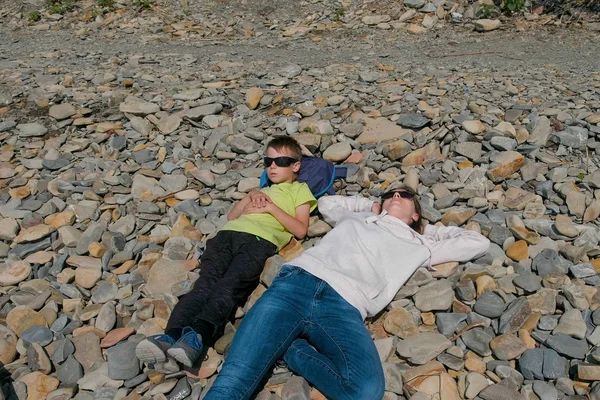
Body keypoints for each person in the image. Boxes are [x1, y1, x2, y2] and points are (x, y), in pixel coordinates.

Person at [203, 183, 490, 400]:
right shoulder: (358, 218)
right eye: (389, 195)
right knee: (234, 380)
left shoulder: (423, 245)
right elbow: (328, 203)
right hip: (297, 283)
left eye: (404, 195)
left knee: (365, 391)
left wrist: (426, 231)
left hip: (344, 307)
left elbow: (477, 242)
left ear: (416, 214)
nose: (395, 197)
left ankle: (291, 349)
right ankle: (279, 342)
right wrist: (371, 207)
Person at [135, 136, 317, 368]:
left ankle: (198, 335)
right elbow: (232, 216)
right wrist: (250, 196)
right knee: (203, 286)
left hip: (258, 242)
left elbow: (300, 229)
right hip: (227, 236)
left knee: (228, 286)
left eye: (280, 161)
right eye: (268, 161)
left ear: (295, 166)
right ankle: (170, 336)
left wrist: (271, 207)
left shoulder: (299, 190)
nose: (273, 166)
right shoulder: (262, 189)